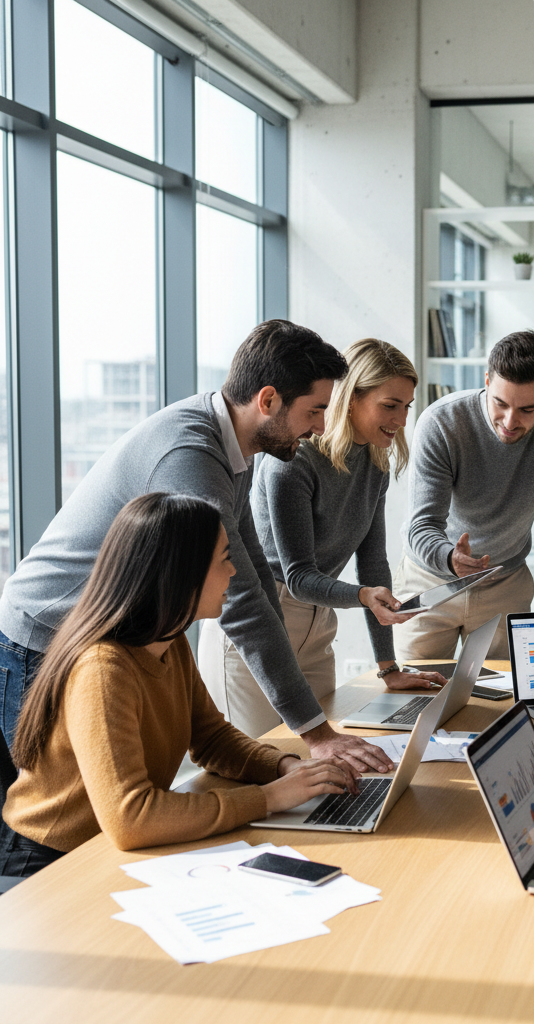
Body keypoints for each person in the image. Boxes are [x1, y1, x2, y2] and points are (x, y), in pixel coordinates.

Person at [0, 320, 392, 774]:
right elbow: (242, 601)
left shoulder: (234, 448)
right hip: (44, 635)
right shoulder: (191, 458)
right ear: (267, 400)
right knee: (49, 821)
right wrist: (317, 734)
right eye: (313, 411)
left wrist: (299, 690)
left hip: (102, 634)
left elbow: (256, 572)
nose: (321, 426)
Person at [0, 494, 360, 877]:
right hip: (47, 862)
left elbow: (211, 738)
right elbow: (131, 818)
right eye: (224, 558)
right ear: (182, 572)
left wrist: (285, 768)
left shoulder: (168, 642)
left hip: (108, 850)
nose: (234, 571)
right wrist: (267, 799)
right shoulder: (104, 670)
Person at [199, 338, 446, 738]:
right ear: (350, 399)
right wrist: (364, 595)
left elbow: (373, 563)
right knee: (257, 763)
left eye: (406, 407)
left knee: (321, 758)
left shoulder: (374, 464)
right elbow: (297, 575)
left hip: (319, 626)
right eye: (389, 405)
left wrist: (388, 667)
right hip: (259, 622)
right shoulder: (294, 460)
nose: (401, 419)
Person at [395, 329, 534, 661]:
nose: (510, 421)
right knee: (414, 700)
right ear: (487, 380)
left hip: (504, 582)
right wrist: (449, 558)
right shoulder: (442, 423)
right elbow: (422, 524)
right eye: (500, 403)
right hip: (430, 580)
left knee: (501, 701)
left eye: (527, 409)